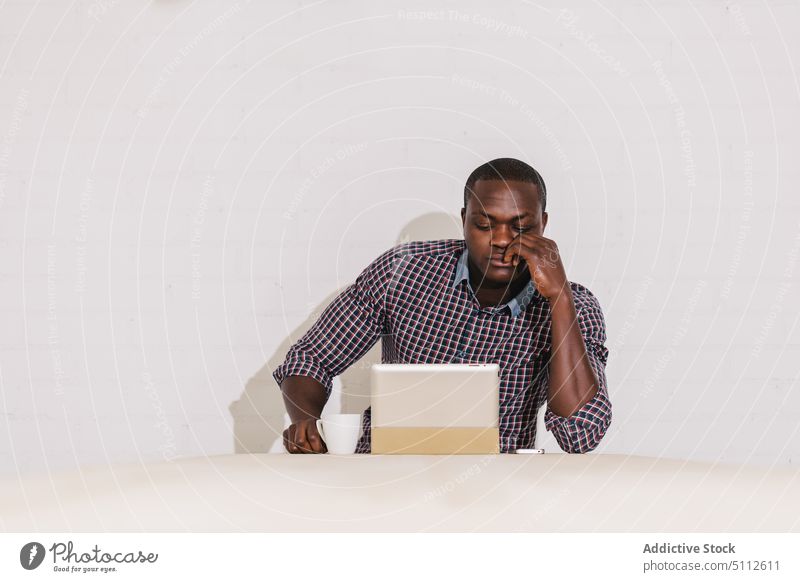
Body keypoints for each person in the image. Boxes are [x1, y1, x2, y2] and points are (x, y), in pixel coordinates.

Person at [273, 157, 611, 454]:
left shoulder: (574, 305)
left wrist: (560, 299)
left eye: (521, 227)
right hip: (382, 478)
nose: (504, 240)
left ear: (544, 225)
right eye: (484, 225)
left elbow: (580, 435)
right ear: (464, 220)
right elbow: (310, 358)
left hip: (495, 491)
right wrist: (305, 421)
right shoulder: (402, 271)